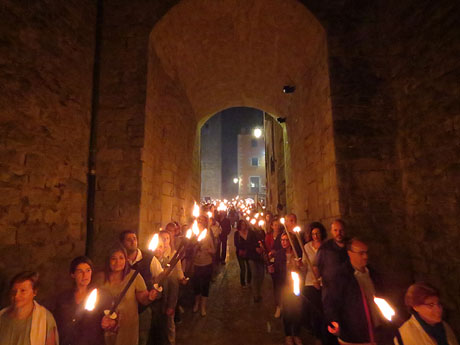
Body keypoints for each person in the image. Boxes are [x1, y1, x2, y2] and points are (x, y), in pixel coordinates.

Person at [323, 238, 386, 345]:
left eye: (366, 252)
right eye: (361, 253)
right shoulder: (340, 277)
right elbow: (331, 303)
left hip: (377, 331)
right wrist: (335, 322)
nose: (366, 256)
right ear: (350, 254)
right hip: (354, 336)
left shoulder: (373, 273)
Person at [100, 245, 158, 345]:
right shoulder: (100, 278)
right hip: (106, 326)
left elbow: (143, 299)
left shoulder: (134, 276)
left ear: (126, 259)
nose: (118, 262)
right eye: (113, 258)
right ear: (108, 260)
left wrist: (149, 297)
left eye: (121, 258)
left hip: (127, 326)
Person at [53, 256, 115, 345]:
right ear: (73, 274)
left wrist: (110, 323)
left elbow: (113, 320)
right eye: (80, 271)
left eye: (88, 270)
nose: (85, 275)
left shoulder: (102, 296)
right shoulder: (63, 298)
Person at [120, 230, 163, 345]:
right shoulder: (121, 260)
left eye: (134, 238)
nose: (133, 241)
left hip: (143, 307)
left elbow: (160, 277)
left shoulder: (148, 258)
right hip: (126, 309)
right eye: (129, 239)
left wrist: (155, 289)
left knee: (142, 337)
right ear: (122, 243)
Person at [0, 271, 58, 345]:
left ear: (34, 292)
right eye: (14, 291)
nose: (16, 296)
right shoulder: (2, 317)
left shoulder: (45, 319)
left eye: (23, 291)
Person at [274, 233, 304, 345]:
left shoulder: (298, 253)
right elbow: (276, 274)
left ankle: (296, 334)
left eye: (286, 240)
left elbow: (303, 269)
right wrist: (272, 270)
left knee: (296, 311)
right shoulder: (279, 255)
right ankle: (288, 335)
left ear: (291, 241)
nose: (283, 242)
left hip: (296, 286)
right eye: (282, 240)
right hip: (284, 287)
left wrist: (300, 266)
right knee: (287, 312)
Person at [302, 222, 327, 339]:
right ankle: (318, 335)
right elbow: (304, 265)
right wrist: (299, 265)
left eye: (318, 233)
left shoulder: (327, 247)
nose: (315, 236)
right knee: (315, 310)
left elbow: (328, 266)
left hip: (324, 282)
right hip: (310, 282)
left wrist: (321, 279)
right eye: (313, 234)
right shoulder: (307, 247)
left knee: (324, 309)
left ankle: (325, 333)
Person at [192, 215, 216, 316]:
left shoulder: (208, 236)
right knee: (196, 285)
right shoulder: (194, 236)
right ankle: (196, 303)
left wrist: (209, 251)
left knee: (205, 285)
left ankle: (203, 306)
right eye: (198, 222)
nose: (199, 223)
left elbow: (214, 250)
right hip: (196, 264)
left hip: (206, 264)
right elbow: (190, 250)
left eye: (201, 222)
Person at [314, 219, 348, 287]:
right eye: (335, 230)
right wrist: (316, 279)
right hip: (331, 289)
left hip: (349, 288)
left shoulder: (352, 246)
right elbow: (317, 267)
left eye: (341, 230)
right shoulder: (325, 248)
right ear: (331, 231)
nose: (338, 233)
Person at [266, 216, 283, 317]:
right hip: (272, 262)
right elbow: (267, 247)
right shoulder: (269, 236)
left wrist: (275, 252)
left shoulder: (282, 236)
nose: (277, 227)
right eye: (275, 225)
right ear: (272, 226)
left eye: (278, 225)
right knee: (276, 284)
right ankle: (278, 305)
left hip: (280, 262)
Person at [234, 219, 252, 288]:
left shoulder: (249, 232)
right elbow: (236, 244)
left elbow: (251, 242)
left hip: (248, 252)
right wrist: (244, 247)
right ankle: (243, 283)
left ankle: (249, 281)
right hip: (240, 253)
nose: (243, 226)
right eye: (242, 224)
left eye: (244, 224)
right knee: (243, 268)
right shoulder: (237, 233)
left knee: (249, 267)